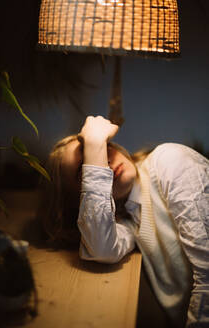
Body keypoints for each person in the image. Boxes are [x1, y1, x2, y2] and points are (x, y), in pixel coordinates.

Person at [42, 116, 209, 328]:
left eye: (104, 147)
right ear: (84, 196)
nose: (107, 163)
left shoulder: (170, 161)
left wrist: (95, 143)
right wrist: (94, 147)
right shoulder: (130, 217)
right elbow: (101, 248)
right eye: (86, 170)